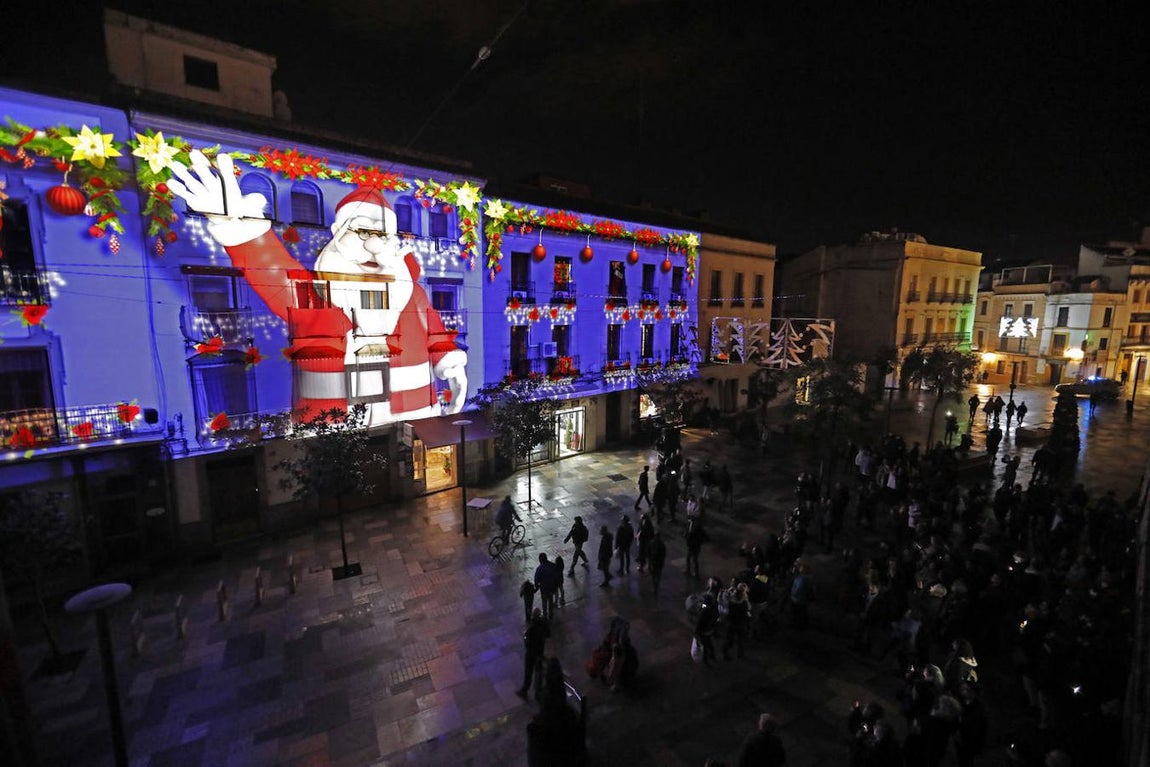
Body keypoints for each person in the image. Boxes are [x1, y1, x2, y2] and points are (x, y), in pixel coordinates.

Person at [168, 152, 467, 426]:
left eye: (384, 234)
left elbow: (435, 334)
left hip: (413, 413)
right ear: (337, 233)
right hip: (336, 421)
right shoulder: (318, 294)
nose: (374, 244)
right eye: (362, 230)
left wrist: (449, 363)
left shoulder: (411, 292)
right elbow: (276, 278)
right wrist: (244, 232)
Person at [517, 608, 550, 699]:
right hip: (540, 652)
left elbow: (527, 642)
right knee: (538, 671)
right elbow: (548, 634)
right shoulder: (544, 624)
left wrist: (525, 638)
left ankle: (525, 690)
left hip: (531, 653)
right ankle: (538, 691)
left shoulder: (532, 628)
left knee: (529, 671)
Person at [723, 582, 751, 660]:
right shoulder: (744, 604)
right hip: (741, 624)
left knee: (729, 639)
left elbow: (724, 603)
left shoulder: (731, 603)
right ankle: (740, 655)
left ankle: (725, 653)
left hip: (732, 623)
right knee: (741, 640)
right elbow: (748, 610)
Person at [534, 553, 562, 621]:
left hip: (544, 588)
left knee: (544, 601)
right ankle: (551, 614)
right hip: (552, 587)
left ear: (540, 560)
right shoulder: (552, 565)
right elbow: (557, 575)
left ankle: (545, 615)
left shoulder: (539, 568)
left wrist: (536, 587)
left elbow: (536, 579)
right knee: (550, 600)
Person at [694, 593, 719, 666]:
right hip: (710, 629)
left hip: (704, 631)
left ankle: (706, 661)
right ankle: (712, 656)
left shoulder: (705, 611)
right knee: (710, 644)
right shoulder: (714, 608)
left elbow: (700, 621)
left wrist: (697, 631)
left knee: (705, 646)